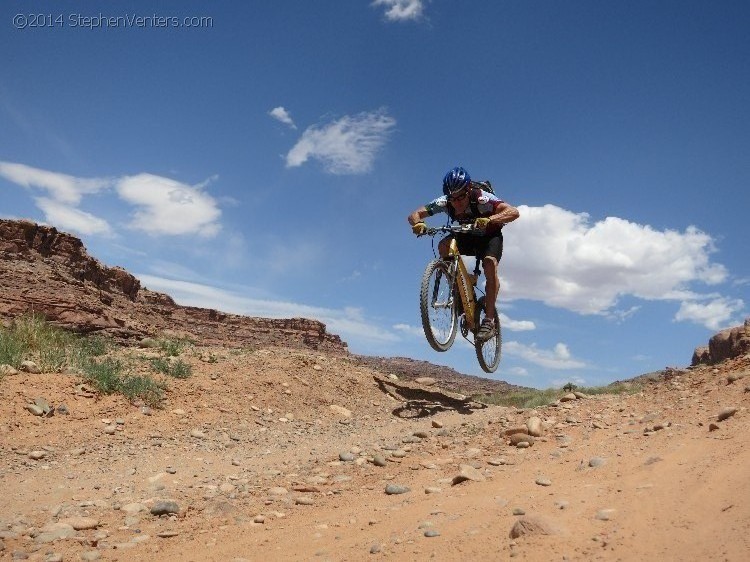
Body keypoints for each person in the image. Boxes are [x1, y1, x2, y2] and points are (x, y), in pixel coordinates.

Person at [407, 166, 520, 341]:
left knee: (489, 263)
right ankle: (459, 290)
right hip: (466, 235)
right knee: (444, 245)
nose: (457, 202)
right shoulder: (445, 202)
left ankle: (489, 320)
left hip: (489, 237)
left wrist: (490, 219)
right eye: (453, 198)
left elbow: (513, 212)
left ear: (469, 190)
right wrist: (418, 224)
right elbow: (415, 214)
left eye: (461, 197)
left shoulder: (482, 198)